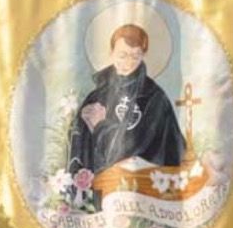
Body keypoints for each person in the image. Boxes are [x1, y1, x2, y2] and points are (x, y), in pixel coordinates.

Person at [67, 23, 186, 178]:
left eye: (135, 56)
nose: (129, 63)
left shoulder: (154, 97)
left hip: (142, 189)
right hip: (98, 187)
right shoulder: (96, 97)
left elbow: (137, 148)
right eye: (123, 55)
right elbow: (78, 149)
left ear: (143, 55)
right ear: (111, 53)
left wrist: (100, 126)